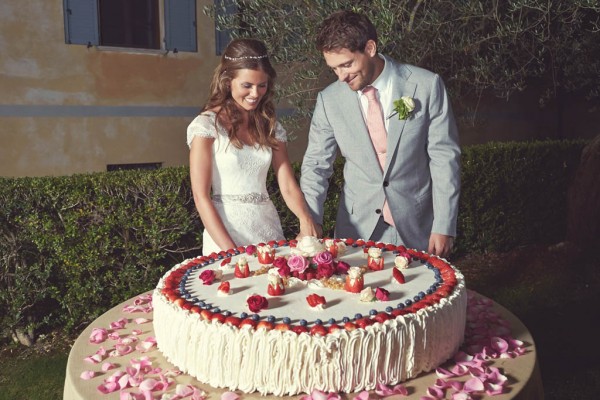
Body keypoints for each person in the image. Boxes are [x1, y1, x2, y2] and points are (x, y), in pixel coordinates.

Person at [300, 10, 461, 258]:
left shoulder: (426, 85)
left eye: (347, 64)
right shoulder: (329, 100)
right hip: (356, 229)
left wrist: (444, 225)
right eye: (334, 69)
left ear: (370, 48)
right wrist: (310, 220)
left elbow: (444, 158)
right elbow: (316, 165)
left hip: (417, 226)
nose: (341, 77)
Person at [188, 38, 319, 255]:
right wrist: (231, 252)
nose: (255, 94)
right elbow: (200, 196)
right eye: (247, 86)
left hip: (267, 229)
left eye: (262, 85)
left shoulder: (271, 126)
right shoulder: (205, 126)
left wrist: (305, 218)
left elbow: (286, 182)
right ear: (228, 81)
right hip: (224, 233)